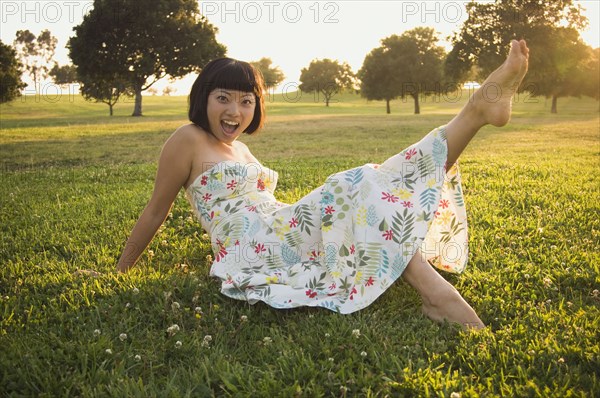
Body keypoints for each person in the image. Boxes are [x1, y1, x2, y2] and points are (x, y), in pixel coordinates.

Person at [116, 40, 529, 330]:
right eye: (223, 98)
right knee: (359, 183)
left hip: (278, 228)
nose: (235, 110)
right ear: (203, 97)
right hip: (254, 247)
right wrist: (120, 272)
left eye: (246, 101)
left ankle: (476, 111)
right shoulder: (187, 139)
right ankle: (437, 295)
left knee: (368, 187)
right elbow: (157, 209)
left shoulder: (239, 150)